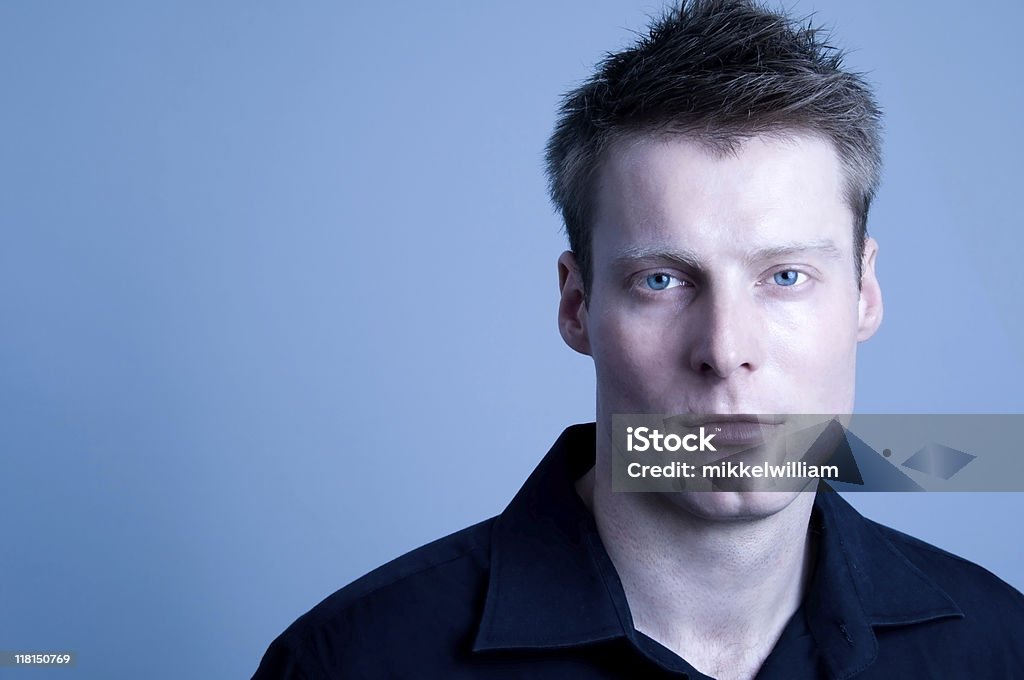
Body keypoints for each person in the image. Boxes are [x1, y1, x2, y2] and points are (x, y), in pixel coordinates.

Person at [253, 1, 1024, 677]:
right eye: (662, 280)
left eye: (784, 277)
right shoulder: (353, 662)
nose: (725, 350)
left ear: (865, 293)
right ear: (577, 305)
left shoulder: (1001, 648)